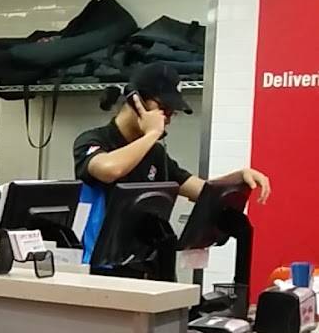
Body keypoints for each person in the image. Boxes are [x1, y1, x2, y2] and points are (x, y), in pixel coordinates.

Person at [73, 61, 270, 259]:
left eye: (171, 113)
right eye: (163, 109)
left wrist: (237, 178)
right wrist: (152, 133)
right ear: (136, 100)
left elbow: (203, 192)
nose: (166, 119)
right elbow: (110, 170)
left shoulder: (155, 154)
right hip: (97, 264)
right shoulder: (93, 140)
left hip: (141, 263)